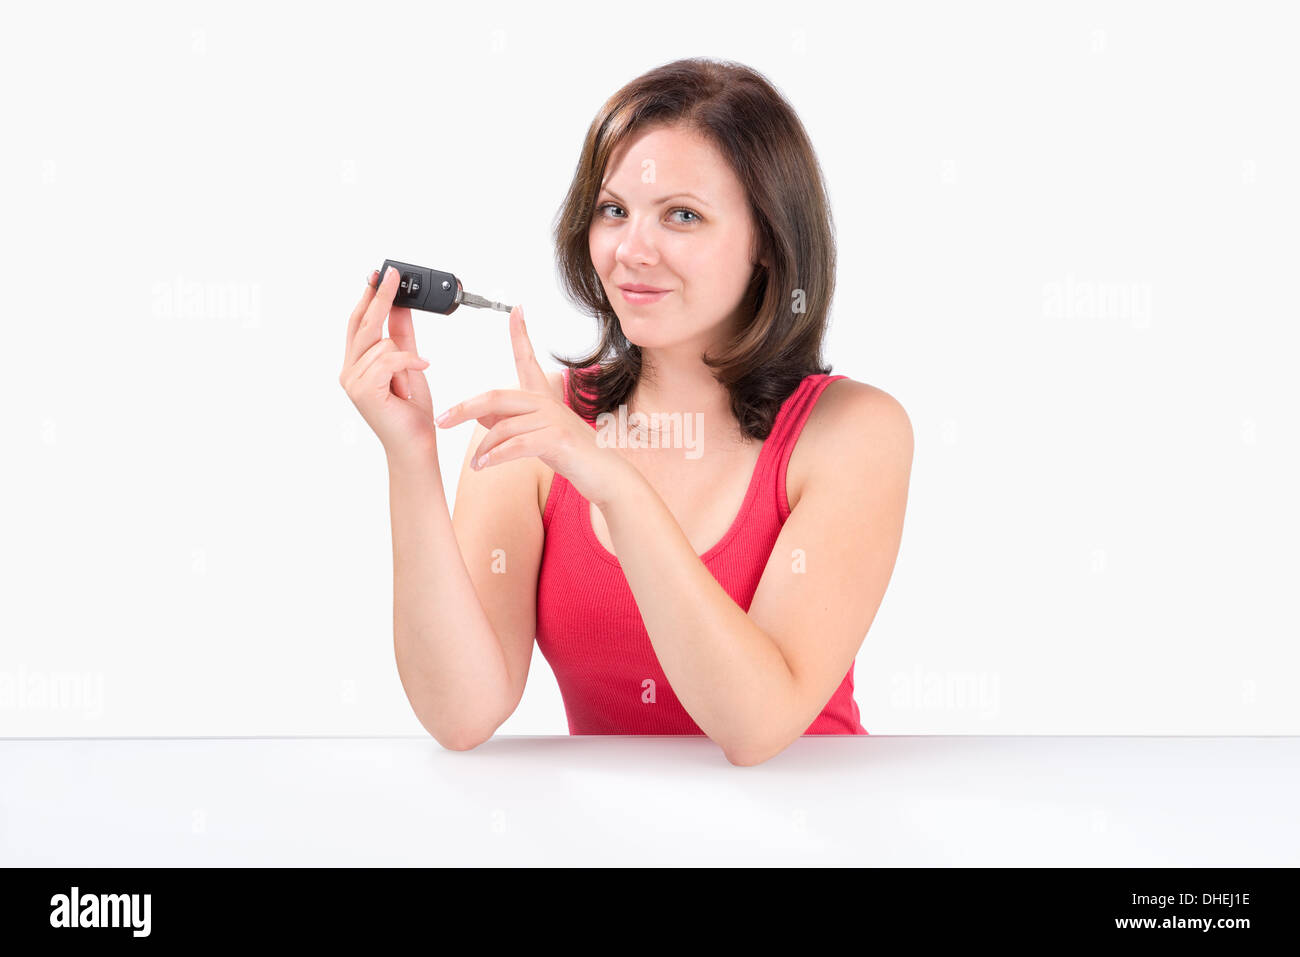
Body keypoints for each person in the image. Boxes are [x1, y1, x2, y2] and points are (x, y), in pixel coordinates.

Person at [339, 57, 913, 766]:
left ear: (767, 240)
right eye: (614, 210)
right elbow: (462, 711)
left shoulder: (854, 432)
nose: (632, 251)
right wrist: (411, 456)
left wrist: (610, 479)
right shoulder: (541, 426)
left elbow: (757, 724)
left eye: (682, 215)